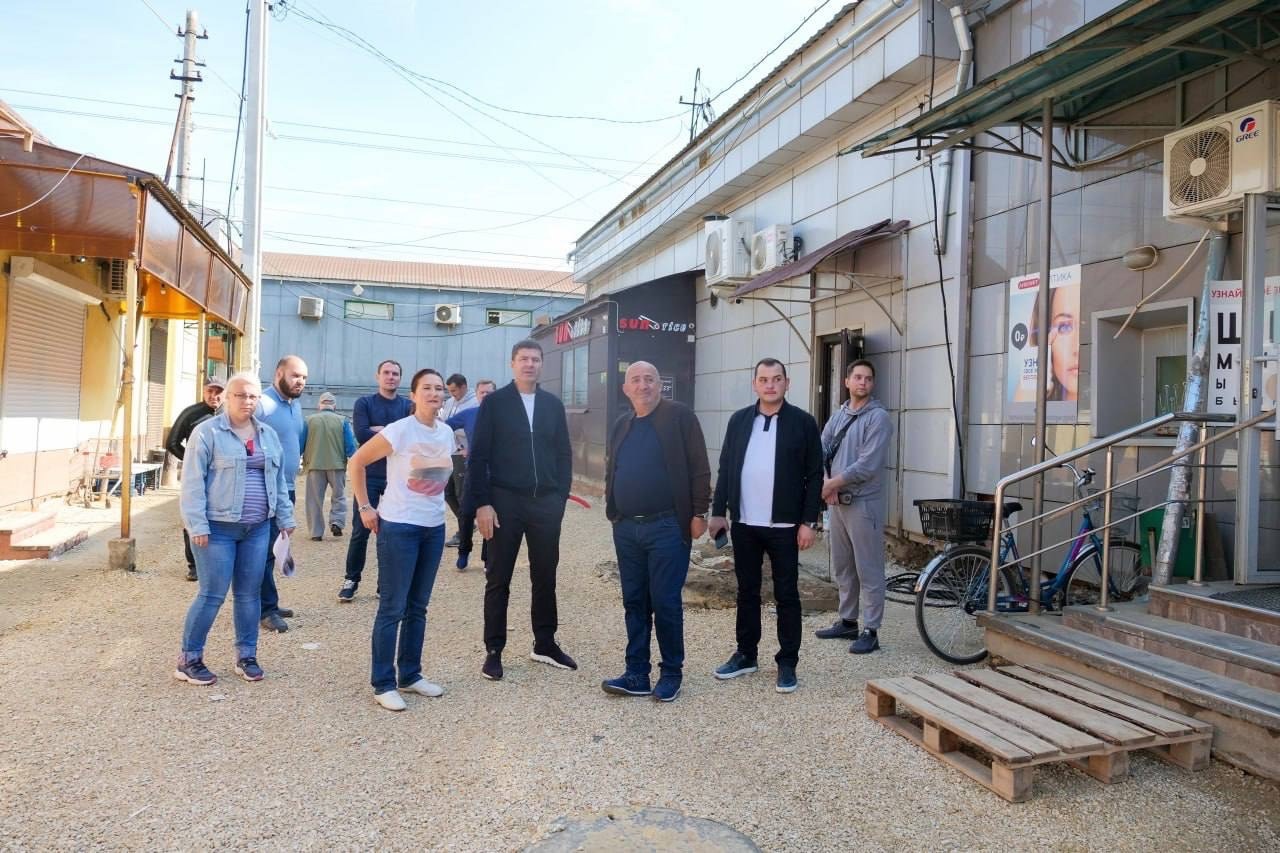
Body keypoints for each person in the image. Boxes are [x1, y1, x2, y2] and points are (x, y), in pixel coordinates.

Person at [708, 358, 822, 694]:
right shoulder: (739, 421)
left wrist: (809, 522)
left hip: (785, 525)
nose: (770, 385)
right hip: (745, 523)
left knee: (787, 594)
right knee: (747, 591)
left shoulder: (803, 422)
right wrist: (718, 511)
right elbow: (726, 467)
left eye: (776, 379)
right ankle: (746, 654)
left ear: (787, 383)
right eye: (763, 379)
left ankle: (787, 662)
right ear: (754, 384)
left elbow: (815, 474)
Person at [174, 372, 295, 686]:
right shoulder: (207, 432)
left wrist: (285, 517)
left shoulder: (268, 434)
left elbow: (279, 480)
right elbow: (192, 483)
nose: (247, 401)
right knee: (212, 594)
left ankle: (247, 656)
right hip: (217, 529)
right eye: (240, 395)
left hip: (257, 528)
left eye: (253, 396)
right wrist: (196, 525)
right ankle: (189, 659)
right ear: (227, 398)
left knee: (248, 595)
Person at [601, 362, 710, 703]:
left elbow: (699, 466)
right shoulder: (622, 424)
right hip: (626, 527)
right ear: (626, 389)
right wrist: (613, 508)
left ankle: (671, 673)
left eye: (649, 379)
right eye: (636, 380)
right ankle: (636, 673)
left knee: (665, 602)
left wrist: (699, 512)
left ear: (660, 385)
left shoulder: (680, 417)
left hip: (667, 526)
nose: (643, 385)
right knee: (634, 601)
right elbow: (612, 466)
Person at [467, 339, 576, 681]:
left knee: (545, 575)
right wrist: (482, 503)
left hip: (545, 502)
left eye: (535, 359)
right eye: (523, 359)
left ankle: (544, 643)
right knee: (499, 577)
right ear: (512, 364)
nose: (529, 364)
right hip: (505, 502)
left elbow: (563, 454)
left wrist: (559, 497)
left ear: (542, 364)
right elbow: (478, 456)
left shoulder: (552, 405)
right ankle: (494, 650)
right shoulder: (495, 403)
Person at [348, 368, 454, 712]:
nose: (434, 393)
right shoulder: (400, 430)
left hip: (433, 528)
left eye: (439, 388)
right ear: (414, 394)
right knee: (393, 607)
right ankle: (383, 682)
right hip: (400, 527)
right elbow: (357, 462)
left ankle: (410, 673)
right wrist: (365, 506)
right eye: (427, 388)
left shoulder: (446, 432)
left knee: (418, 606)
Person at [816, 359, 894, 654]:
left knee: (868, 568)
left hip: (863, 503)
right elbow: (821, 449)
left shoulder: (878, 418)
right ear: (847, 381)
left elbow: (867, 465)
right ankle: (848, 621)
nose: (863, 382)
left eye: (868, 378)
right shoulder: (839, 416)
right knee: (843, 566)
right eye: (858, 377)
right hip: (836, 503)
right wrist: (827, 483)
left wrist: (830, 485)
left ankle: (871, 629)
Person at [339, 360, 413, 603]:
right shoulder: (365, 403)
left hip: (396, 478)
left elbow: (409, 438)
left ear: (400, 378)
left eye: (395, 373)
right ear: (378, 376)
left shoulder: (407, 405)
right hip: (368, 475)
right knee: (360, 531)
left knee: (391, 532)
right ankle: (351, 580)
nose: (391, 377)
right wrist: (393, 432)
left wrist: (380, 430)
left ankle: (385, 584)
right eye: (387, 373)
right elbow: (361, 433)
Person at [257, 355, 308, 633]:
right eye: (295, 375)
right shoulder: (262, 404)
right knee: (263, 552)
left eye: (304, 378)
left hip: (287, 488)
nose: (300, 382)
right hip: (266, 491)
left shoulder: (294, 405)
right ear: (279, 373)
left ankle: (269, 603)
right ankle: (265, 609)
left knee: (275, 550)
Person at [165, 376, 225, 581]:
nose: (214, 396)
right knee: (192, 516)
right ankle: (194, 566)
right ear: (203, 391)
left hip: (222, 475)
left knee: (219, 515)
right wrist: (191, 462)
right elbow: (172, 442)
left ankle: (217, 561)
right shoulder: (190, 413)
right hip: (195, 476)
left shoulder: (230, 414)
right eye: (210, 391)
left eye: (218, 392)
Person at [446, 378, 496, 571]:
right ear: (476, 395)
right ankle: (464, 551)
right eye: (482, 392)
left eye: (489, 393)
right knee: (466, 513)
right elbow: (445, 427)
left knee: (492, 516)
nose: (486, 396)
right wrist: (458, 447)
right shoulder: (469, 414)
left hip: (497, 476)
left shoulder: (504, 416)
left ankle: (487, 557)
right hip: (473, 472)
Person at [303, 392, 356, 541]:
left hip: (314, 464)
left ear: (319, 405)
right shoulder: (342, 421)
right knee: (339, 496)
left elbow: (300, 444)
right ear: (334, 406)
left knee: (314, 500)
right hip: (337, 465)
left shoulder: (308, 420)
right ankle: (337, 522)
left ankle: (316, 532)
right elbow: (350, 447)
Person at [441, 373, 478, 548]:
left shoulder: (475, 403)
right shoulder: (449, 402)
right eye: (449, 391)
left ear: (464, 387)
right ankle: (468, 524)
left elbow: (474, 428)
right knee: (447, 493)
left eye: (454, 390)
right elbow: (445, 424)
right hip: (450, 452)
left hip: (464, 454)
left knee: (461, 494)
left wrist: (468, 447)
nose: (452, 394)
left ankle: (463, 532)